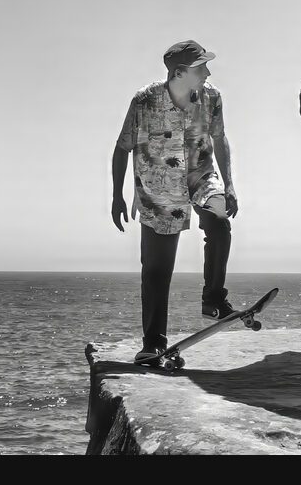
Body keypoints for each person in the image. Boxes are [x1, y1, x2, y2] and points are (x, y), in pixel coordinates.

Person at [110, 39, 241, 365]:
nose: (209, 71)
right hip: (158, 191)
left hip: (199, 177)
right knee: (156, 269)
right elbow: (122, 147)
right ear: (180, 72)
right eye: (202, 66)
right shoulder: (144, 101)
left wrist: (230, 183)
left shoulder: (211, 96)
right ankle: (153, 344)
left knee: (218, 221)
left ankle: (213, 299)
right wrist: (116, 196)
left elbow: (219, 138)